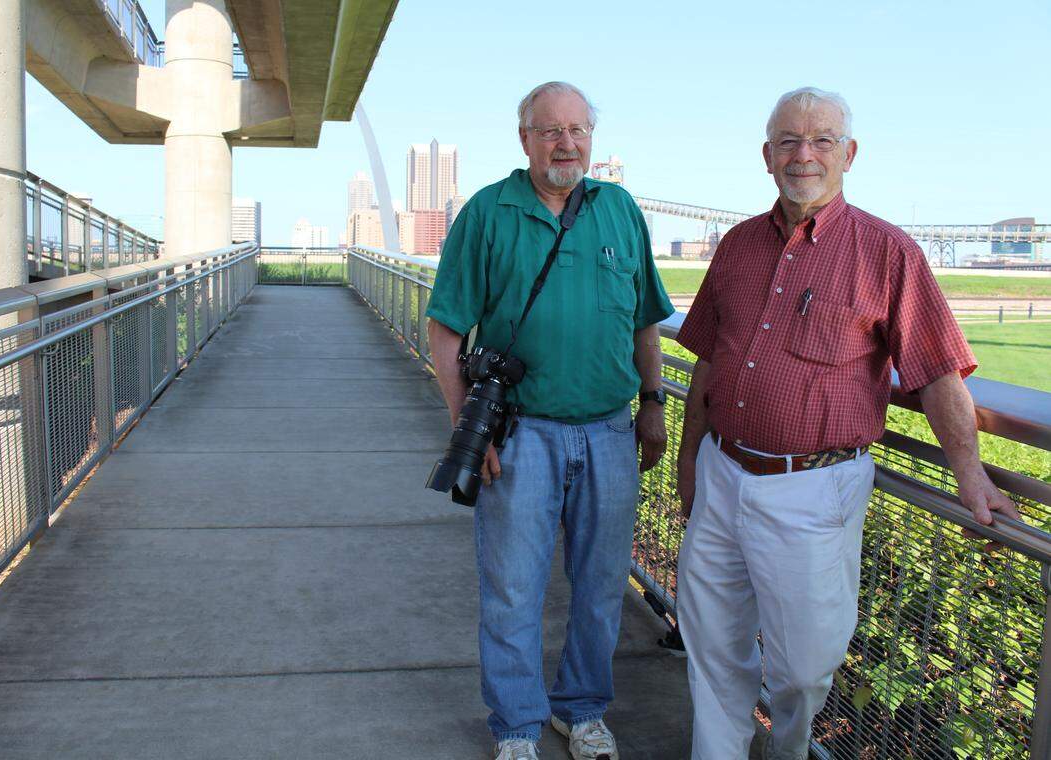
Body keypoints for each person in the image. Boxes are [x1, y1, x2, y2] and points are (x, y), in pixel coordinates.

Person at [673, 86, 1022, 760]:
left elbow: (937, 371)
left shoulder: (889, 252)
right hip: (721, 470)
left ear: (848, 154)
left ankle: (788, 751)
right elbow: (711, 367)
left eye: (822, 140)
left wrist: (970, 475)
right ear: (767, 157)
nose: (804, 154)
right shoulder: (738, 247)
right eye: (789, 142)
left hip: (814, 489)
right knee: (713, 647)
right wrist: (690, 464)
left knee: (804, 667)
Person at [425, 81, 674, 760]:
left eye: (579, 130)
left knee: (599, 587)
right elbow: (445, 328)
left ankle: (583, 711)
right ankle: (515, 727)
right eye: (551, 130)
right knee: (513, 588)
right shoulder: (488, 212)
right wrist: (465, 432)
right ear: (525, 139)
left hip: (611, 431)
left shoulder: (619, 209)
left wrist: (652, 403)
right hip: (521, 433)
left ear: (592, 136)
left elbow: (646, 320)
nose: (567, 143)